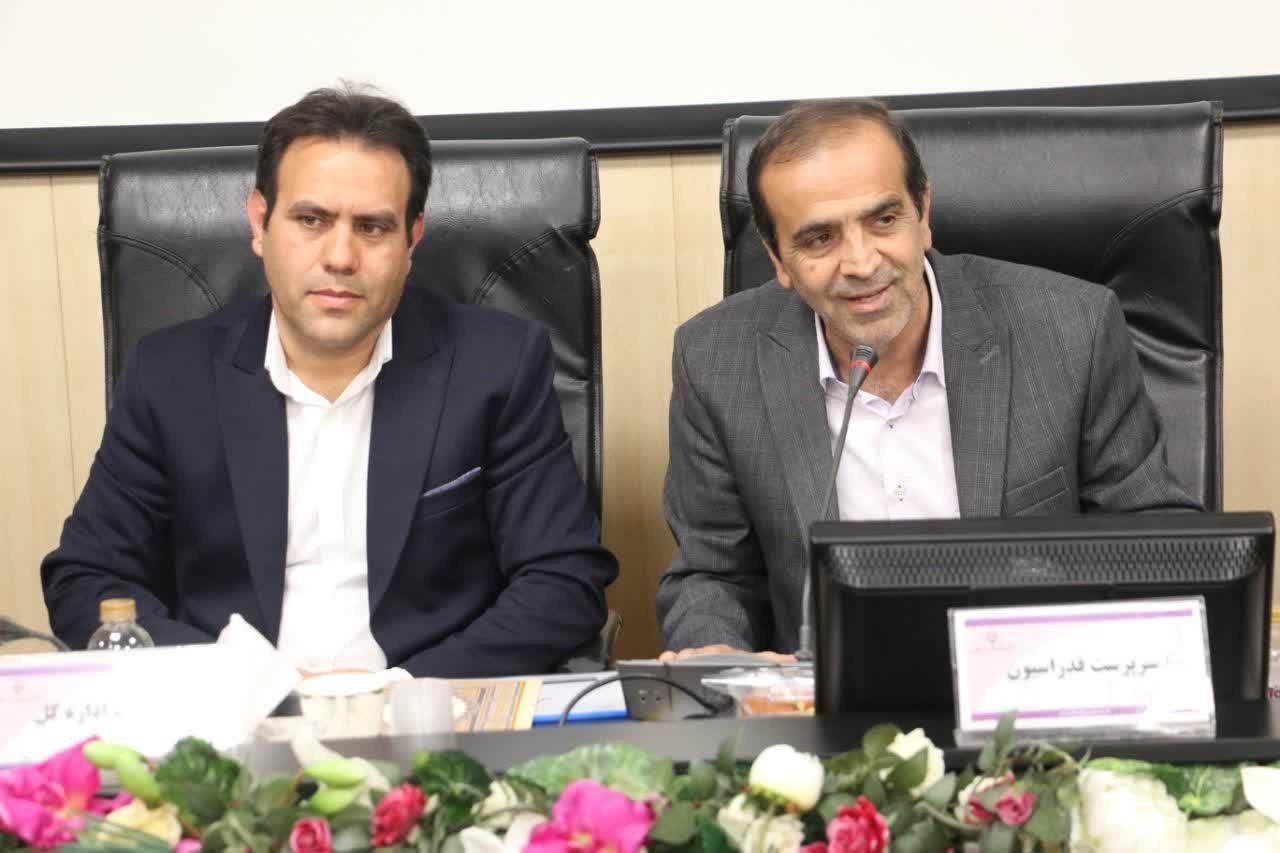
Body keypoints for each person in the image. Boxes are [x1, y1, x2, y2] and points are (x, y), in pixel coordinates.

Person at [42, 85, 617, 677]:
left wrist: (401, 693)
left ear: (412, 240)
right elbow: (87, 578)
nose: (340, 257)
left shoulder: (496, 367)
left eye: (373, 227)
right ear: (260, 223)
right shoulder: (170, 377)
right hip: (233, 713)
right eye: (311, 220)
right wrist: (234, 682)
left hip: (426, 705)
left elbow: (563, 581)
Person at [657, 98, 1200, 659]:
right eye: (819, 239)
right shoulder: (715, 361)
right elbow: (714, 573)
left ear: (923, 214)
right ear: (778, 259)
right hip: (827, 699)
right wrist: (715, 653)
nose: (862, 263)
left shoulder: (1071, 331)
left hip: (1031, 682)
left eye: (883, 220)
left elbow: (1153, 540)